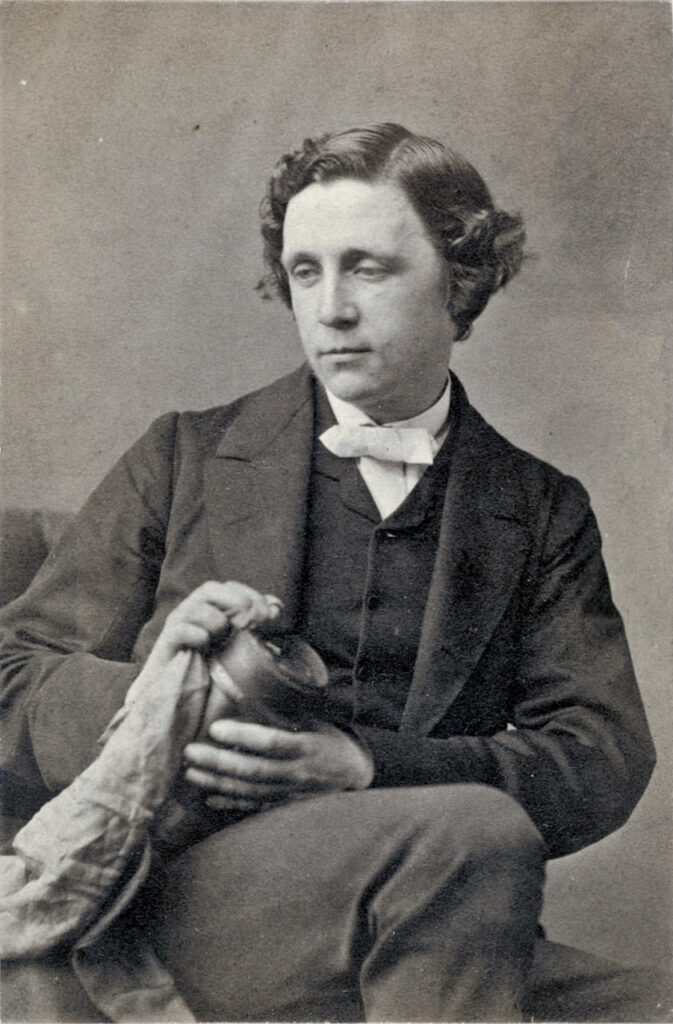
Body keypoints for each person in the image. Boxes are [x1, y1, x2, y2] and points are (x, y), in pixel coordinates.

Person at [0, 122, 664, 1022]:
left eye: (368, 269)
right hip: (180, 908)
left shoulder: (539, 507)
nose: (330, 309)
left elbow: (598, 755)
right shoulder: (184, 455)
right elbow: (11, 682)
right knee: (473, 826)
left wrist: (367, 767)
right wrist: (157, 695)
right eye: (305, 272)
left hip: (436, 913)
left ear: (458, 281)